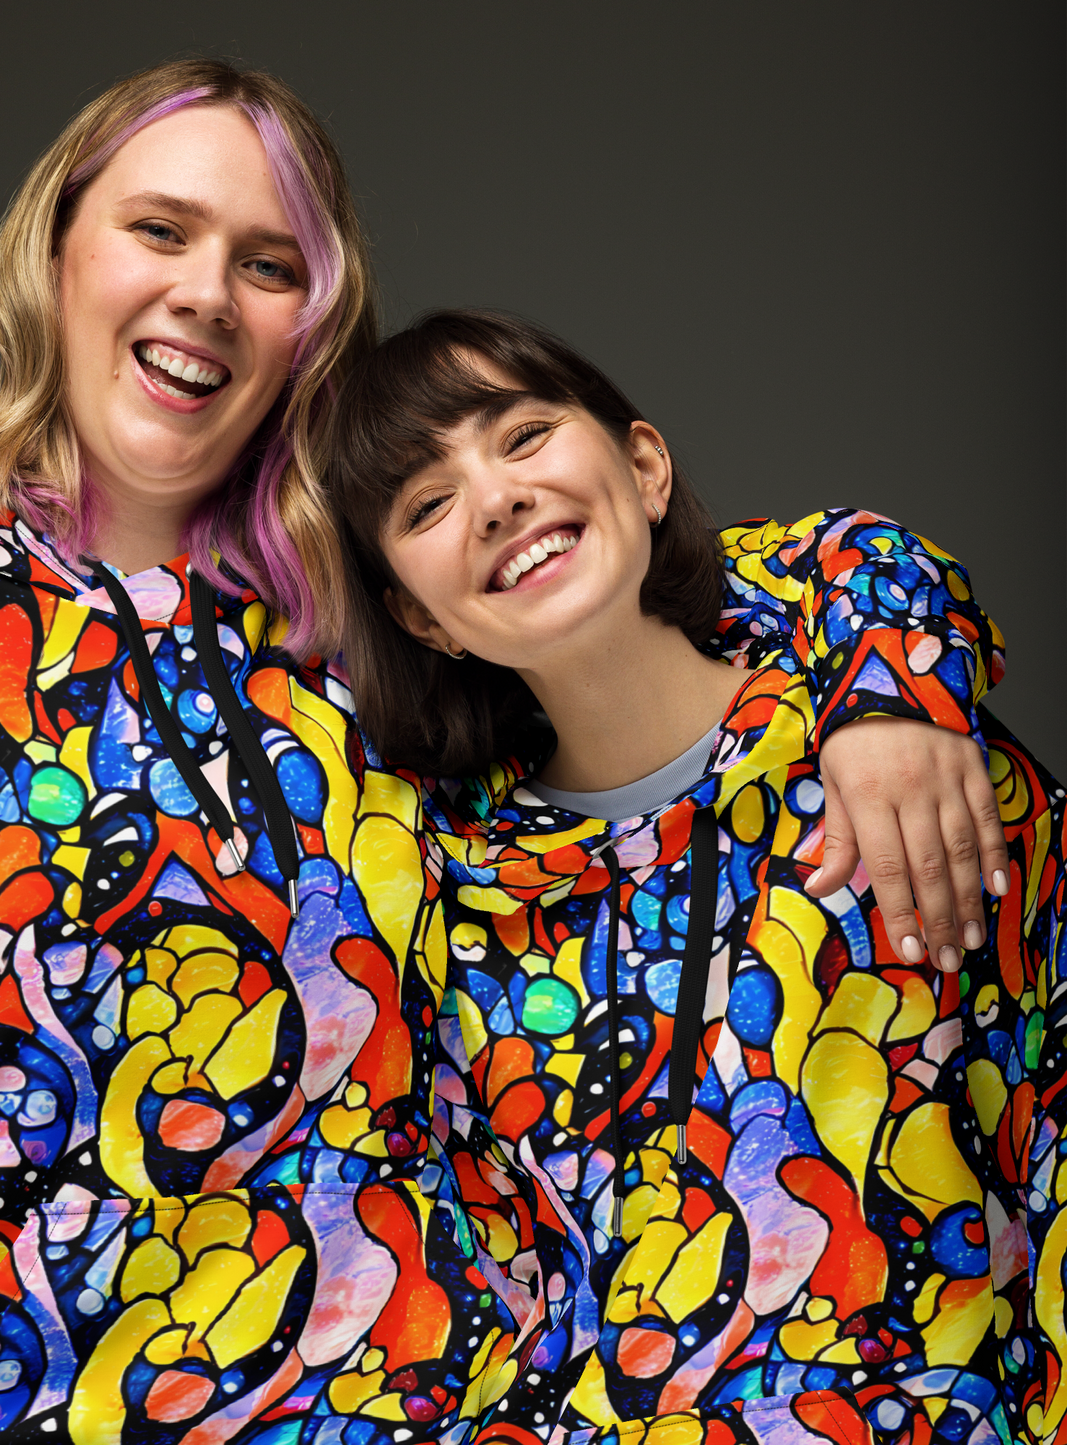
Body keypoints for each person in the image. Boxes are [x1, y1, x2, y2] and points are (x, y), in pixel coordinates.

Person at [0, 63, 1012, 1444]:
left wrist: (891, 682)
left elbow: (691, 594)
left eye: (267, 264)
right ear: (54, 252)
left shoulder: (354, 648)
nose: (206, 294)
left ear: (312, 329)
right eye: (159, 231)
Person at [324, 308, 1064, 1444]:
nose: (495, 499)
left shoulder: (893, 754)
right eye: (426, 506)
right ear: (423, 618)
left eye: (522, 436)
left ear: (643, 466)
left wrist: (887, 670)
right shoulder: (450, 903)